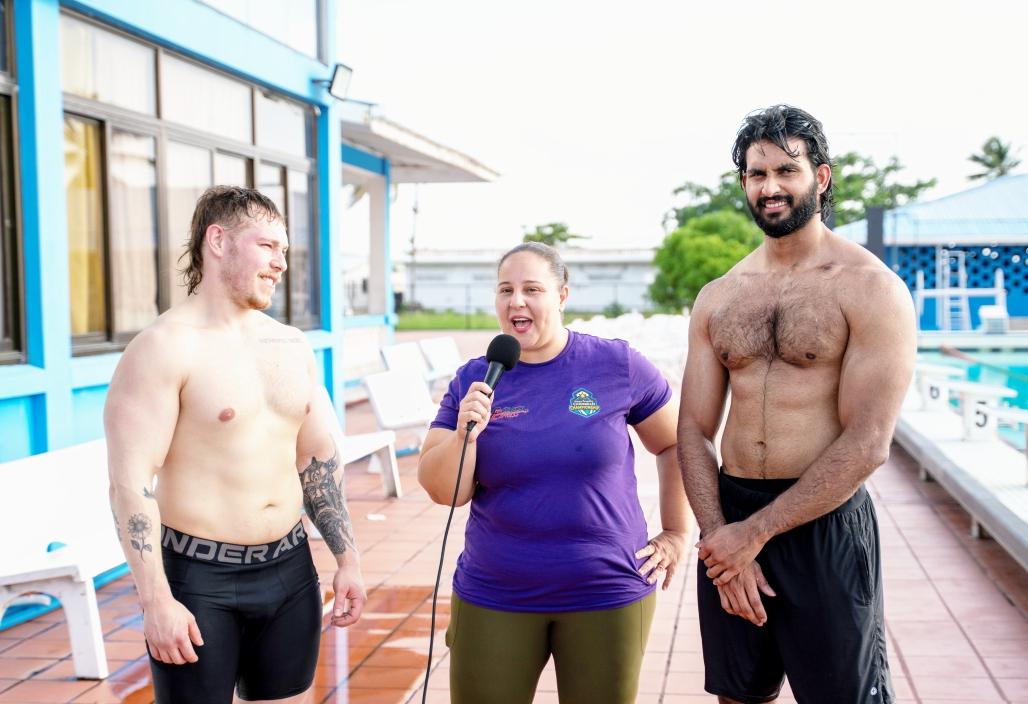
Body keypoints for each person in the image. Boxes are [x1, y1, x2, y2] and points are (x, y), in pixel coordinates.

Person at [678, 105, 916, 704]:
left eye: (787, 170)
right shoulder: (719, 297)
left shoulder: (869, 288)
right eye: (757, 174)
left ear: (821, 176)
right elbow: (693, 429)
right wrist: (721, 539)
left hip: (821, 523)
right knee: (739, 696)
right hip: (731, 513)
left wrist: (754, 534)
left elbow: (868, 442)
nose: (771, 187)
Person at [104, 186, 366, 704]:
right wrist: (155, 600)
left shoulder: (291, 344)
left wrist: (348, 559)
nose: (281, 263)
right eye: (267, 246)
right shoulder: (162, 347)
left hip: (291, 569)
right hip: (199, 580)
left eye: (284, 250)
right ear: (218, 241)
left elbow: (316, 458)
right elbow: (130, 485)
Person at [417, 242, 688, 704]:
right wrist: (465, 435)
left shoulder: (616, 365)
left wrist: (678, 532)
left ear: (562, 296)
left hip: (606, 588)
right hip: (496, 591)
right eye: (505, 290)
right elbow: (445, 492)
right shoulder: (474, 379)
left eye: (532, 289)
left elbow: (675, 442)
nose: (516, 301)